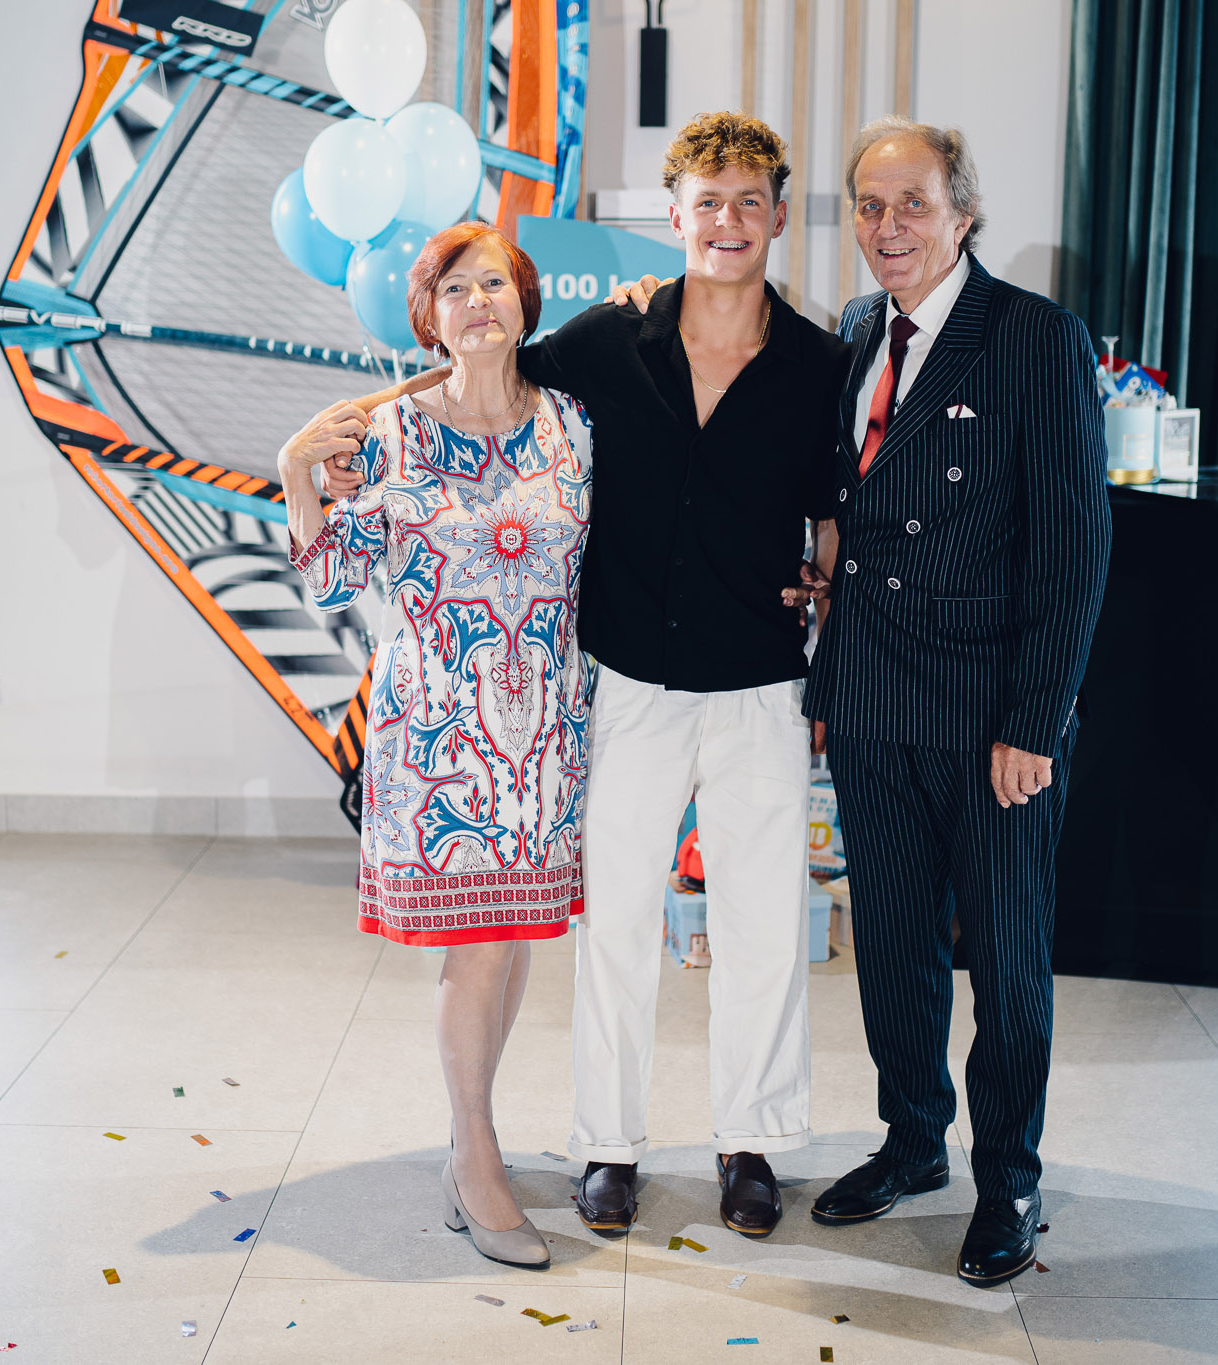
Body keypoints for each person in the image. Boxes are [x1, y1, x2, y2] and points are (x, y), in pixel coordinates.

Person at [328, 112, 852, 1240]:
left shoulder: (818, 365)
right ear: (675, 218)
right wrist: (344, 433)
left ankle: (750, 1141)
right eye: (707, 203)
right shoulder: (606, 342)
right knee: (613, 924)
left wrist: (823, 596)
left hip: (760, 682)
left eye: (748, 202)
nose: (727, 221)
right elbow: (476, 372)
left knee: (763, 925)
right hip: (629, 681)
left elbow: (829, 515)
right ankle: (607, 1147)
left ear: (775, 216)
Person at [803, 117, 1111, 1286]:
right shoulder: (854, 330)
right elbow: (852, 508)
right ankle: (911, 1140)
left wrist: (1033, 720)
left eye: (912, 204)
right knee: (890, 945)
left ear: (963, 213)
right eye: (868, 205)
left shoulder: (1033, 337)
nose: (886, 227)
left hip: (991, 713)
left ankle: (1008, 1177)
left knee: (1007, 960)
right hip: (870, 694)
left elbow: (1073, 548)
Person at [277, 221, 593, 1271]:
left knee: (512, 938)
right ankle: (475, 1151)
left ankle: (473, 1137)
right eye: (454, 288)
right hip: (439, 738)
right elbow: (333, 580)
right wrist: (295, 472)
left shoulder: (575, 426)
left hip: (544, 734)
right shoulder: (391, 434)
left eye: (493, 282)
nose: (477, 301)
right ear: (430, 317)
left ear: (524, 303)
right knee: (481, 943)